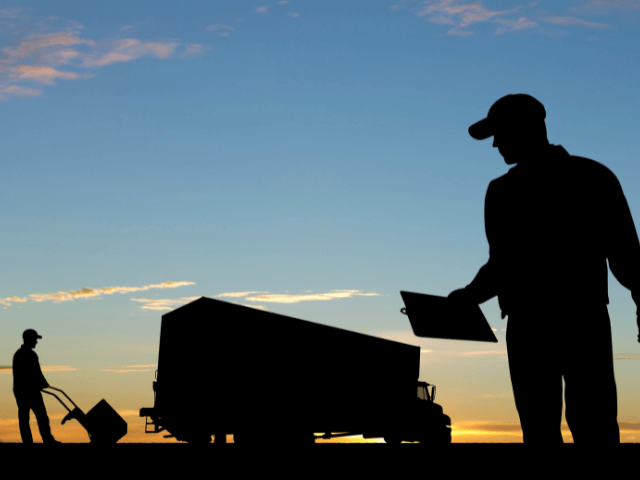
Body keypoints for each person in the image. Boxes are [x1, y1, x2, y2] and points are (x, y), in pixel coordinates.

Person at [448, 93, 640, 444]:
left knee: (591, 422)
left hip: (577, 320)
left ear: (527, 129)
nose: (495, 145)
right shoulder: (504, 191)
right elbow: (502, 264)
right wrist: (469, 296)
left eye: (500, 134)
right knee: (542, 427)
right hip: (540, 324)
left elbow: (627, 258)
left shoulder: (591, 178)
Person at [13, 329, 60, 444]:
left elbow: (36, 373)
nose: (36, 342)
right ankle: (45, 440)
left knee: (32, 417)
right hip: (27, 391)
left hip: (24, 390)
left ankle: (33, 441)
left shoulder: (22, 354)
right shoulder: (28, 354)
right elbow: (34, 373)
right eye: (35, 339)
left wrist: (43, 383)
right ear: (28, 339)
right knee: (38, 416)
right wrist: (42, 383)